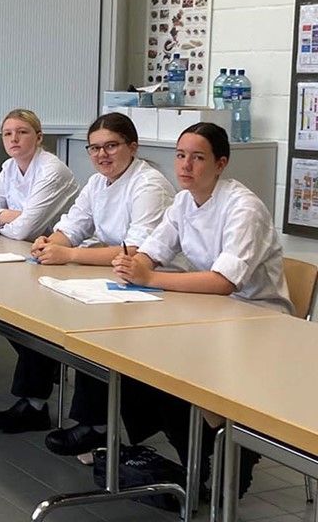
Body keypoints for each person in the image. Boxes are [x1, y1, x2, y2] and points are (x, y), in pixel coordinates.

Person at [112, 122, 293, 495]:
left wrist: (149, 278)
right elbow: (153, 249)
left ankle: (230, 455)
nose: (185, 165)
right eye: (180, 156)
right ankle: (198, 458)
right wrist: (135, 264)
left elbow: (223, 281)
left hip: (258, 319)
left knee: (175, 369)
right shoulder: (183, 201)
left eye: (197, 157)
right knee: (140, 362)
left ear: (220, 163)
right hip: (211, 311)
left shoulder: (244, 207)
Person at [31, 112, 175, 455]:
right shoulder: (97, 183)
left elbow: (136, 251)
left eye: (111, 146)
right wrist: (49, 243)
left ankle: (94, 426)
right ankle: (41, 404)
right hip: (115, 277)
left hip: (161, 285)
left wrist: (69, 255)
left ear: (132, 147)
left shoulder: (149, 185)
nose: (101, 155)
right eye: (94, 148)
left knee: (93, 332)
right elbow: (73, 226)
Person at [0, 109, 79, 433]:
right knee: (5, 315)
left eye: (22, 132)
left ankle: (34, 402)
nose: (14, 139)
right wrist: (12, 215)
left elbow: (24, 230)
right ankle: (37, 393)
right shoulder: (9, 168)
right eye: (8, 134)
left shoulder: (51, 170)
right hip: (28, 258)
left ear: (39, 137)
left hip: (65, 262)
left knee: (25, 321)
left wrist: (4, 219)